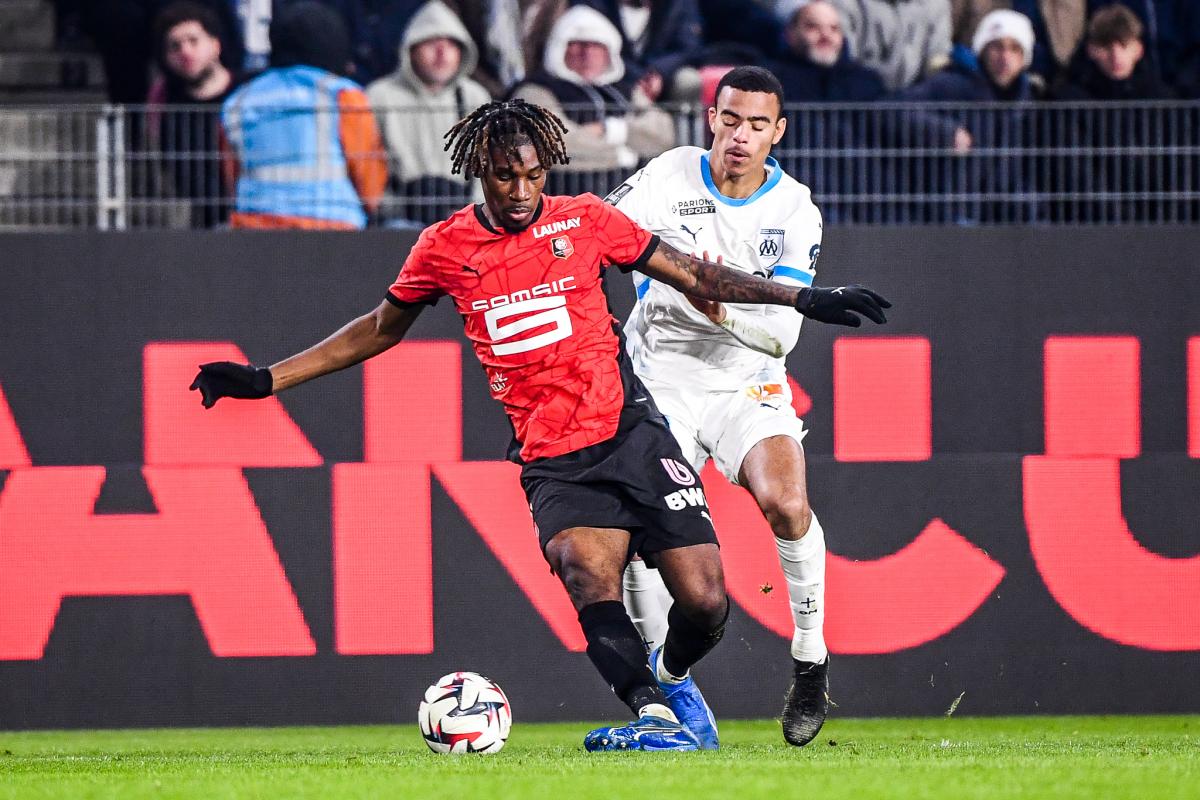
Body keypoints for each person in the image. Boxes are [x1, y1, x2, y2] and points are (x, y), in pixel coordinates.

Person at [189, 99, 889, 751]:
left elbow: (695, 276)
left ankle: (672, 678)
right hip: (555, 459)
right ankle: (651, 717)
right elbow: (377, 329)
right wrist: (266, 379)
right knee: (588, 575)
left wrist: (805, 297)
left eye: (532, 175)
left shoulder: (586, 221)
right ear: (479, 171)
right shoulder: (444, 248)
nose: (521, 191)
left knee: (706, 603)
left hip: (633, 434)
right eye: (505, 177)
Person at [606, 64, 845, 748]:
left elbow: (782, 335)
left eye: (757, 124)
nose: (741, 135)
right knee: (640, 540)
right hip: (661, 378)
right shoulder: (667, 175)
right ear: (712, 118)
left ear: (778, 132)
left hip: (747, 379)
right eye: (731, 119)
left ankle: (810, 659)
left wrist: (720, 310)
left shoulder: (793, 209)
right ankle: (669, 688)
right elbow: (599, 233)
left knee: (787, 504)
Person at [220, 1, 387, 230]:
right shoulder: (343, 95)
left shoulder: (239, 101)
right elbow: (369, 181)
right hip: (333, 225)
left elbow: (232, 177)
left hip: (254, 227)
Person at [366, 0, 492, 226]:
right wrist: (392, 208)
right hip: (399, 218)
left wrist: (474, 212)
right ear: (411, 49)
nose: (442, 53)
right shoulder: (379, 96)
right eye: (431, 43)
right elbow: (368, 165)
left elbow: (487, 166)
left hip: (462, 218)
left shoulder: (475, 97)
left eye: (451, 44)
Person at [509, 4, 675, 174]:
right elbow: (551, 143)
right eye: (577, 44)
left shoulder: (624, 90)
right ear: (559, 47)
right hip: (566, 188)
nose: (587, 53)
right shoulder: (535, 90)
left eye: (596, 45)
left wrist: (611, 130)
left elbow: (663, 132)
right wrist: (619, 155)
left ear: (610, 50)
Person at [148, 1, 240, 228]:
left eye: (193, 41)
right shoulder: (167, 104)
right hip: (201, 220)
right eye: (175, 46)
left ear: (215, 45)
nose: (185, 52)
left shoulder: (246, 92)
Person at [830, 0, 953, 90]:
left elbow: (938, 57)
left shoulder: (936, 4)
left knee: (954, 84)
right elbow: (846, 62)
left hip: (917, 98)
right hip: (861, 97)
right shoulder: (844, 3)